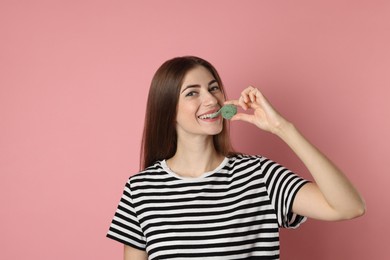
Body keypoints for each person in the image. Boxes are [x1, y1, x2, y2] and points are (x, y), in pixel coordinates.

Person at [107, 56, 365, 260]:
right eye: (192, 93)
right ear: (167, 109)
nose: (211, 99)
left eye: (214, 88)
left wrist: (282, 128)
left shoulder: (259, 175)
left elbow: (350, 207)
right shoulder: (140, 189)